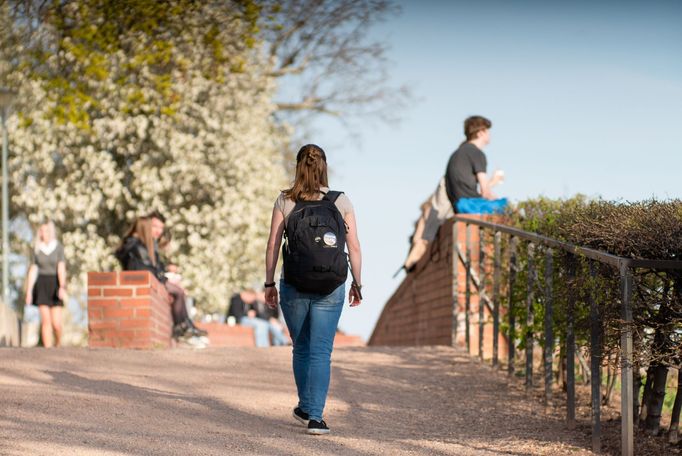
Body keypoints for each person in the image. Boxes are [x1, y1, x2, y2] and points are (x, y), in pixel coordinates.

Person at [264, 144, 363, 435]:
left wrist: (269, 283)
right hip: (331, 285)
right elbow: (354, 246)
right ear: (324, 167)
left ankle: (306, 405)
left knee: (302, 347)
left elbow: (272, 245)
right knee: (321, 351)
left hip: (294, 282)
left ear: (298, 167)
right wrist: (357, 283)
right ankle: (316, 417)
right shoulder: (340, 201)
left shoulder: (285, 200)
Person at [115, 216, 205, 347]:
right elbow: (147, 268)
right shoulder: (136, 245)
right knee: (178, 292)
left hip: (151, 280)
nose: (158, 231)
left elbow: (154, 267)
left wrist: (164, 273)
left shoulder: (144, 244)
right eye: (154, 227)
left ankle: (186, 327)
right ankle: (183, 329)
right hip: (143, 283)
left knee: (180, 292)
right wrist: (163, 278)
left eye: (160, 228)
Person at [444, 115, 507, 214]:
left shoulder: (458, 153)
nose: (489, 135)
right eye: (487, 131)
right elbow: (485, 192)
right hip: (471, 205)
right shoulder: (476, 153)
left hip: (459, 205)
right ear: (481, 133)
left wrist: (492, 182)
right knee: (507, 205)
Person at [24, 221, 67, 348]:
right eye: (41, 231)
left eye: (46, 230)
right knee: (46, 322)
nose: (44, 233)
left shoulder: (58, 247)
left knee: (56, 324)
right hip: (41, 284)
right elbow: (33, 269)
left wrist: (62, 286)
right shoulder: (37, 248)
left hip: (55, 283)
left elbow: (61, 267)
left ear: (51, 231)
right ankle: (48, 352)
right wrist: (29, 291)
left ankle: (58, 345)